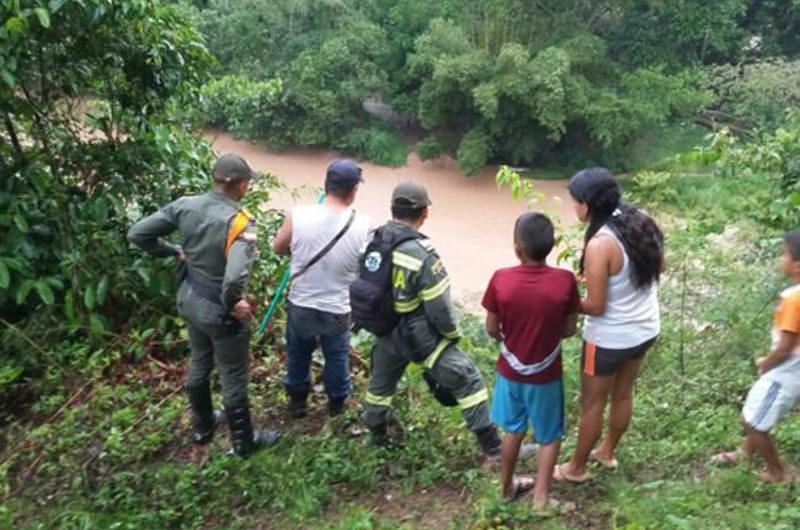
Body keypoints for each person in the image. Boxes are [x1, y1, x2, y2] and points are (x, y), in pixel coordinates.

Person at [127, 153, 280, 457]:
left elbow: (137, 233)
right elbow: (235, 277)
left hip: (190, 299)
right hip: (218, 311)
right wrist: (233, 303)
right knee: (233, 375)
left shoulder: (185, 205)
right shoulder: (240, 222)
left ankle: (203, 425)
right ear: (240, 185)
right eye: (248, 181)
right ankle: (243, 443)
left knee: (199, 359)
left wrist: (174, 251)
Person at [363, 181, 503, 457]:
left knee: (379, 386)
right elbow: (439, 307)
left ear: (393, 208)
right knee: (467, 378)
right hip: (418, 334)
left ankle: (377, 436)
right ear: (424, 212)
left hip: (383, 329)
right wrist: (450, 335)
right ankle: (493, 448)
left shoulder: (373, 240)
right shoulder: (422, 254)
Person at [555, 167, 664, 482]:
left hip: (608, 339)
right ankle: (607, 451)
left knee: (592, 403)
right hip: (644, 329)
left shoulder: (600, 244)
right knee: (623, 393)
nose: (573, 207)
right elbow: (657, 267)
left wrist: (567, 300)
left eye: (574, 201)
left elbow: (596, 306)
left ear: (586, 206)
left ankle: (575, 468)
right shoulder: (642, 222)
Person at [482, 212, 578, 509]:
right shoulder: (565, 281)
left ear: (517, 248)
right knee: (549, 436)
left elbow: (490, 328)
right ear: (551, 246)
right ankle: (540, 499)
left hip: (510, 372)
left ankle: (507, 489)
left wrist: (510, 340)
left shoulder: (501, 279)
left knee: (513, 430)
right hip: (546, 375)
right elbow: (570, 328)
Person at [272, 160, 370, 417]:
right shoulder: (363, 224)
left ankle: (297, 403)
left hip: (301, 302)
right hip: (337, 306)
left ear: (326, 185)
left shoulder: (298, 214)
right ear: (353, 190)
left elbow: (278, 248)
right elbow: (364, 269)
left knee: (298, 352)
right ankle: (337, 404)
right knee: (337, 355)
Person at [712, 229, 800, 484]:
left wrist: (765, 363)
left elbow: (784, 348)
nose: (781, 259)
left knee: (753, 421)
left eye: (785, 254)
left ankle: (777, 472)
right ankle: (744, 453)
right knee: (761, 412)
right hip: (793, 371)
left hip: (785, 371)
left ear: (797, 266)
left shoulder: (794, 301)